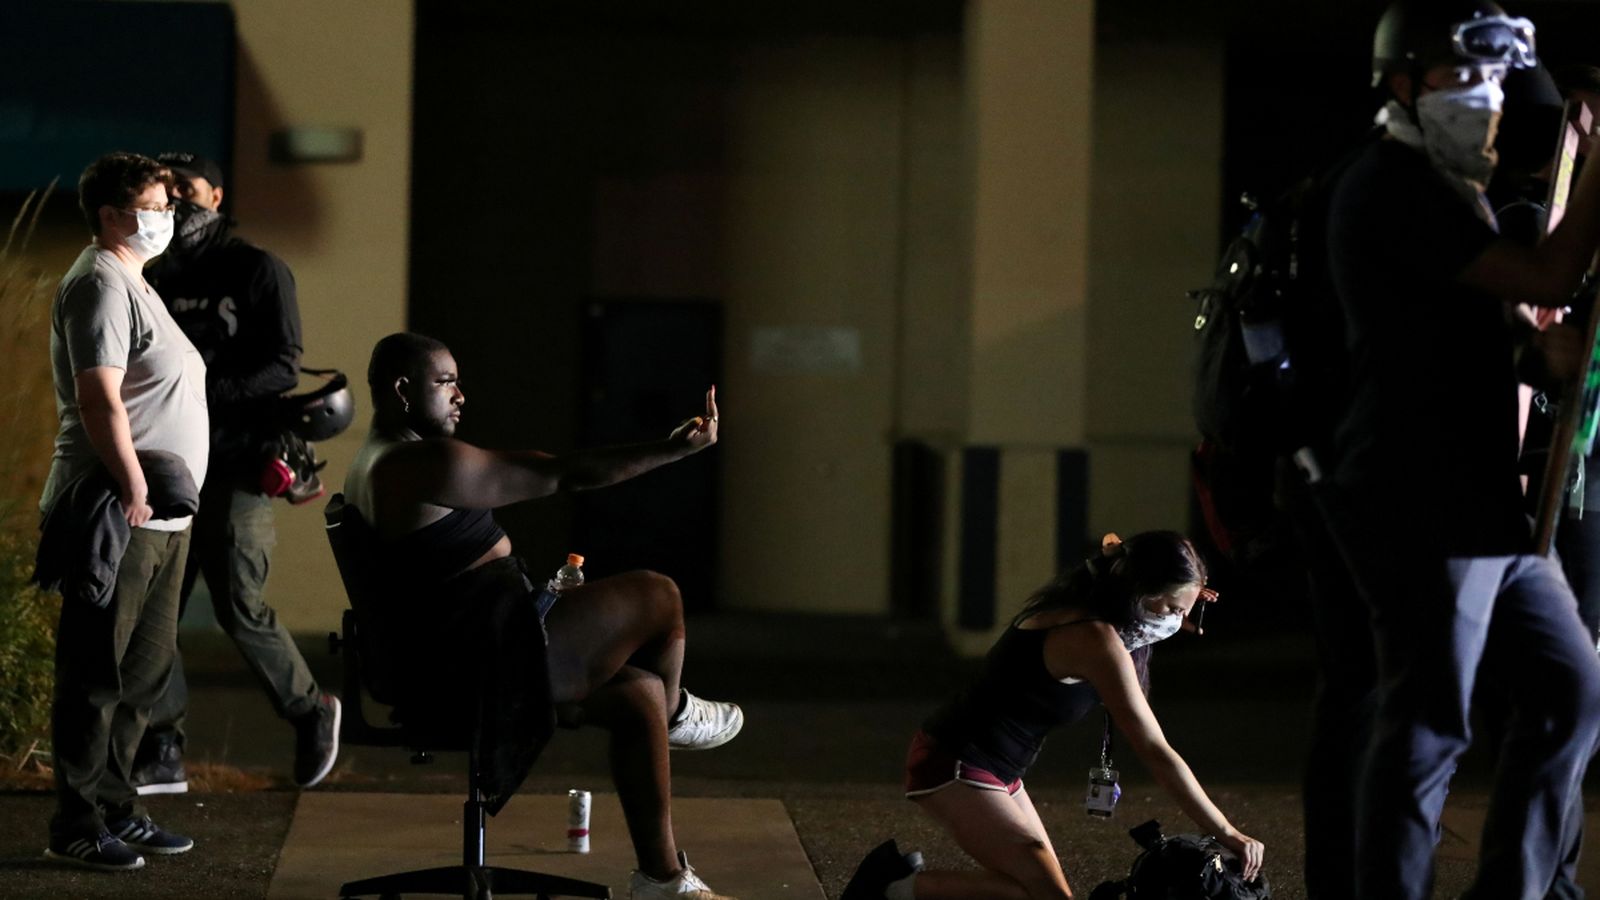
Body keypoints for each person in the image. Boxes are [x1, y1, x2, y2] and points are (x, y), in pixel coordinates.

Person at [1324, 3, 1600, 897]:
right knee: (1429, 722)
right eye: (1458, 77)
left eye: (1493, 78)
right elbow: (1546, 273)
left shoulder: (1455, 187)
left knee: (1571, 694)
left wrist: (1536, 347)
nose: (1483, 97)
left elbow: (1505, 314)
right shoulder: (1390, 183)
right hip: (1417, 495)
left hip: (1487, 505)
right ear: (1400, 84)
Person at [344, 332, 743, 900]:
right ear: (404, 391)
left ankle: (662, 879)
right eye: (445, 382)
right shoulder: (420, 462)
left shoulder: (374, 457)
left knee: (637, 695)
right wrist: (674, 449)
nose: (461, 395)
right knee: (658, 594)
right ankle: (681, 712)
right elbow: (563, 473)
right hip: (480, 665)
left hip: (454, 656)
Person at [841, 531, 1264, 900]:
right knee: (1048, 896)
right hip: (954, 763)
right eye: (1172, 609)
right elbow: (1154, 748)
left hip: (996, 769)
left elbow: (1136, 616)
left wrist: (1185, 594)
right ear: (1137, 592)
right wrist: (1227, 831)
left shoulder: (1091, 608)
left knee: (1036, 891)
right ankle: (888, 890)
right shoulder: (1092, 639)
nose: (1178, 622)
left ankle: (895, 887)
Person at [130, 152, 339, 795]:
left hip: (237, 459)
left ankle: (309, 711)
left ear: (217, 197)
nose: (178, 205)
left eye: (188, 192)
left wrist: (198, 391)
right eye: (168, 194)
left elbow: (282, 364)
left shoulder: (255, 269)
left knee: (238, 604)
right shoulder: (154, 274)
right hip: (167, 461)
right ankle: (163, 745)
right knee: (153, 607)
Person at [39, 152, 209, 871]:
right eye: (153, 205)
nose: (166, 218)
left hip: (162, 517)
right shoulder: (100, 284)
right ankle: (77, 820)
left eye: (170, 205)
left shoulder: (138, 282)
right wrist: (135, 485)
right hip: (118, 512)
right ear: (111, 213)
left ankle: (118, 805)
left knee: (141, 675)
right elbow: (98, 396)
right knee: (95, 672)